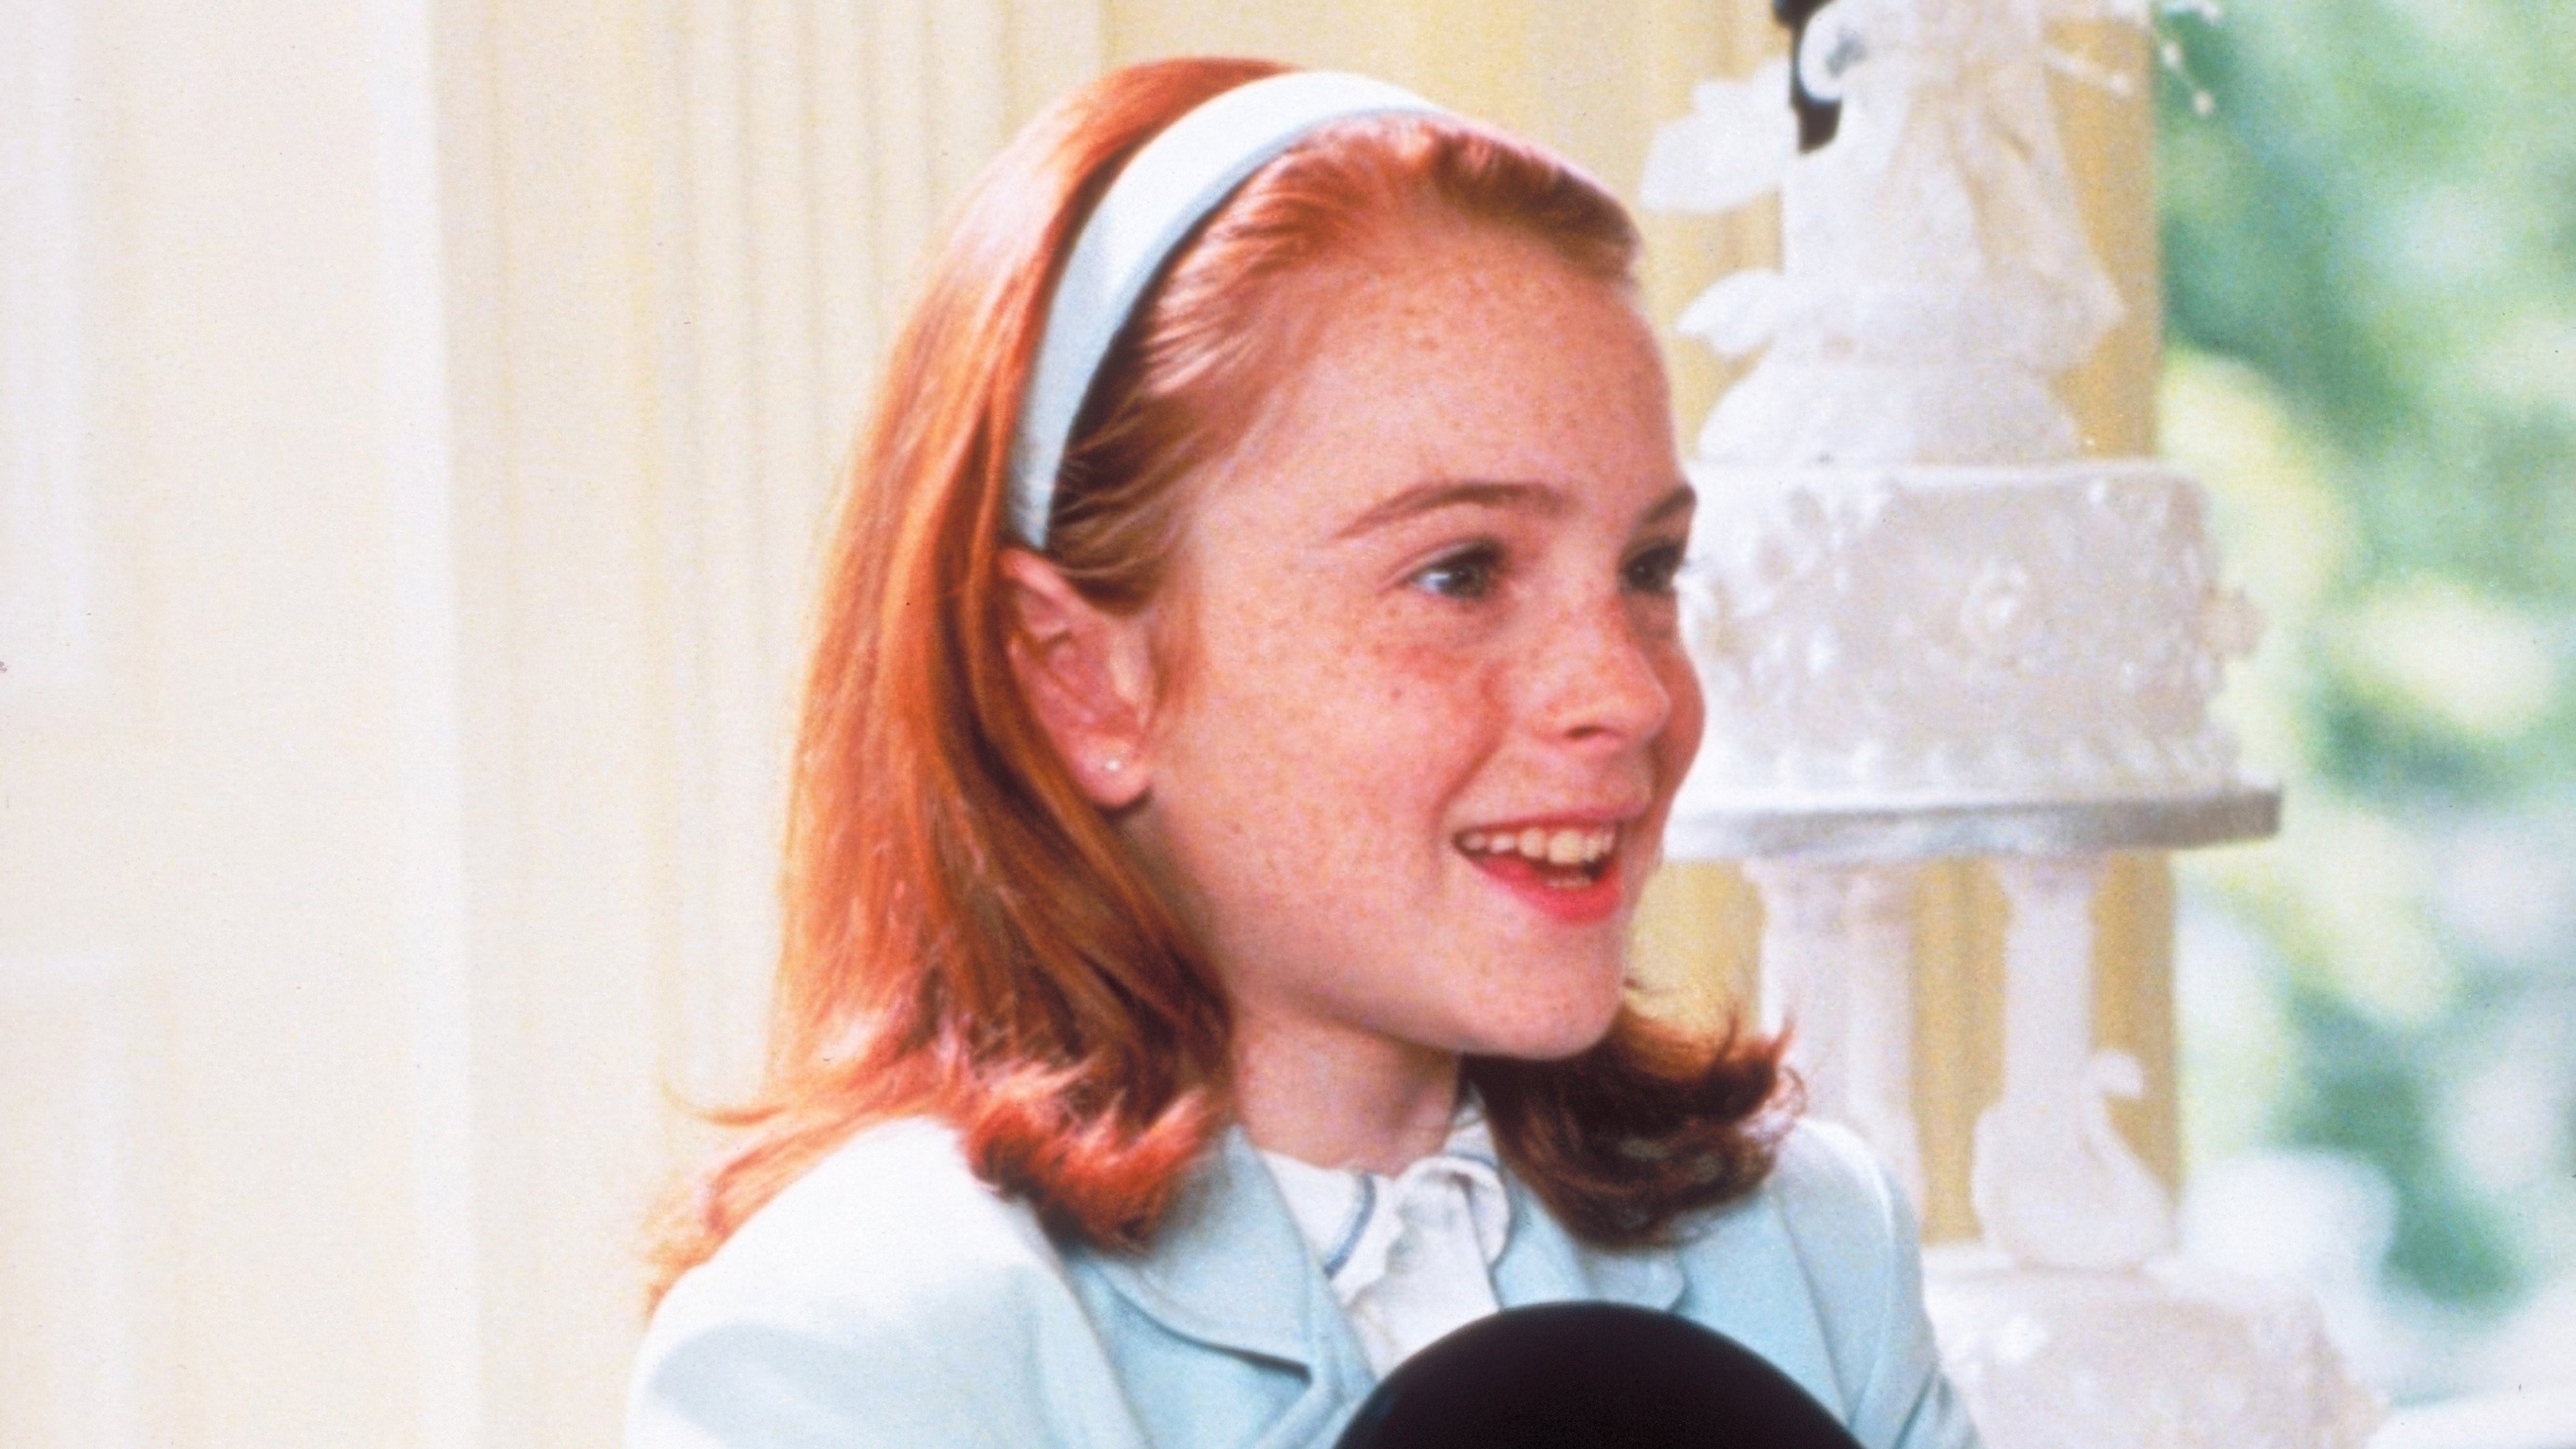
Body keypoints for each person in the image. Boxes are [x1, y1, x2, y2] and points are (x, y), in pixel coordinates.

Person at [627, 57, 1982, 1449]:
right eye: (1460, 573)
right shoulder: (864, 1348)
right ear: (1084, 680)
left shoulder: (1809, 1250)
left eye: (1649, 568)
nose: (1628, 692)